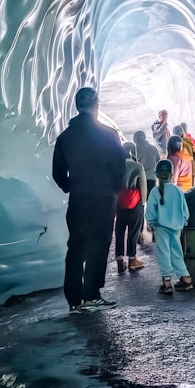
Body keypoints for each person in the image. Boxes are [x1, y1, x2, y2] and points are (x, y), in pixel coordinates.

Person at [52, 86, 125, 312]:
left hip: (79, 199)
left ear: (76, 105)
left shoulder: (65, 137)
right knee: (99, 246)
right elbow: (120, 169)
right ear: (96, 105)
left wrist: (71, 186)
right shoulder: (109, 134)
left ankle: (74, 300)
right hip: (103, 200)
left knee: (76, 246)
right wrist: (113, 191)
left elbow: (58, 173)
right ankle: (91, 295)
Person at [144, 159, 194, 295]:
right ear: (171, 174)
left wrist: (152, 225)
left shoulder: (155, 192)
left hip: (161, 228)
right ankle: (186, 279)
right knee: (177, 252)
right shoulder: (178, 191)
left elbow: (150, 213)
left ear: (157, 175)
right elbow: (185, 211)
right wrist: (182, 222)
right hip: (176, 228)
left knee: (164, 254)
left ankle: (167, 284)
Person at [115, 142, 148, 273]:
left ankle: (119, 260)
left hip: (119, 202)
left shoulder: (116, 165)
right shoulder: (137, 166)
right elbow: (143, 187)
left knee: (119, 231)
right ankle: (132, 260)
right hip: (135, 203)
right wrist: (143, 202)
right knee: (133, 232)